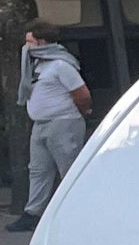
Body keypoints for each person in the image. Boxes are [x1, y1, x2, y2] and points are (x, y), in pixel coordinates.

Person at [12, 22, 92, 232]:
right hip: (40, 125)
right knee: (38, 170)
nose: (26, 45)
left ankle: (79, 211)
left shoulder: (61, 65)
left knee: (69, 168)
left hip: (62, 123)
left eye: (29, 41)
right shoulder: (36, 65)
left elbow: (82, 94)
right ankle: (33, 213)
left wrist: (82, 113)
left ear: (41, 42)